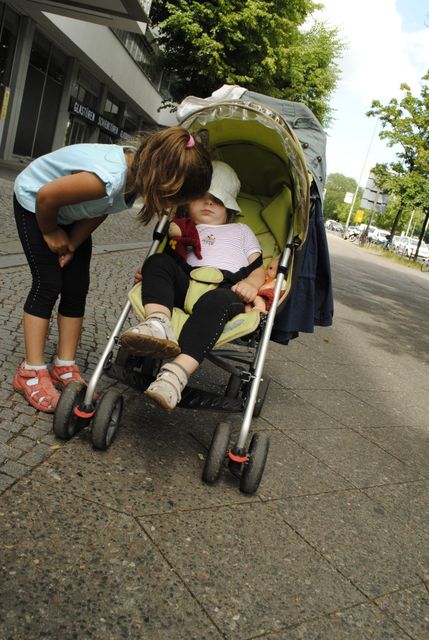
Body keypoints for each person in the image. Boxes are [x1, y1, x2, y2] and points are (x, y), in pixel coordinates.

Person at [13, 128, 212, 413]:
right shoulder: (107, 177)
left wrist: (73, 243)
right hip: (36, 206)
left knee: (76, 287)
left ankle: (64, 365)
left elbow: (100, 209)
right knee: (48, 283)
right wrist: (51, 232)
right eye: (174, 200)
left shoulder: (133, 181)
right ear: (163, 182)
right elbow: (46, 196)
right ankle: (30, 371)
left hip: (71, 213)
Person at [119, 161, 266, 412]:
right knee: (157, 261)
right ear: (187, 202)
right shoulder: (182, 229)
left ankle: (175, 375)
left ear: (229, 207)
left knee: (216, 301)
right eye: (201, 197)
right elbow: (168, 266)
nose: (208, 203)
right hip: (186, 281)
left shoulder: (241, 231)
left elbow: (258, 268)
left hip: (225, 289)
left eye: (217, 200)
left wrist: (251, 284)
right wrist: (154, 276)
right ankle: (158, 323)